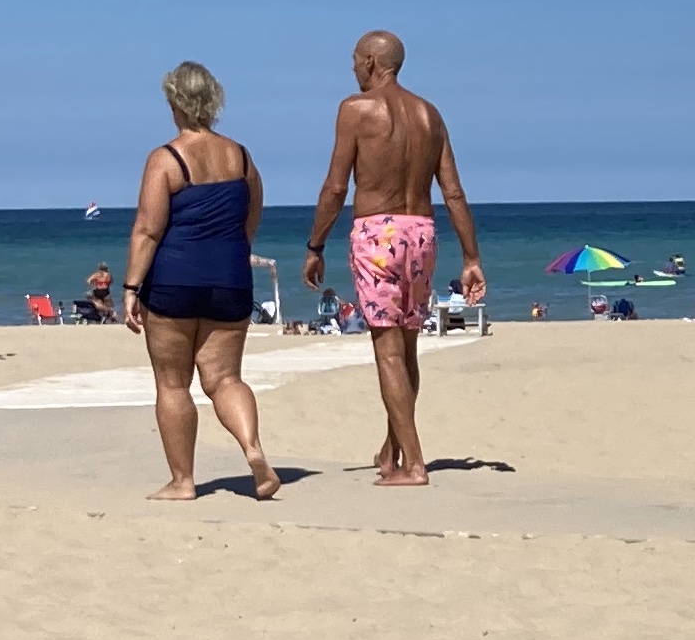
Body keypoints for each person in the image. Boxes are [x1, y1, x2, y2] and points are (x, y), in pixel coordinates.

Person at [305, 28, 488, 486]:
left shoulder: (355, 109)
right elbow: (454, 192)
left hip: (377, 232)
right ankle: (392, 450)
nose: (351, 68)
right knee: (406, 348)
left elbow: (334, 187)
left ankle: (416, 463)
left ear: (370, 61)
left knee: (387, 352)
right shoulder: (430, 115)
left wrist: (315, 245)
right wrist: (471, 257)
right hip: (422, 233)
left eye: (353, 60)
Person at [123, 60, 278, 502]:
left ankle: (183, 481)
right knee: (226, 378)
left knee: (173, 383)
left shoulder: (166, 158)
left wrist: (132, 287)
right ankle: (252, 448)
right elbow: (252, 214)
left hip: (174, 281)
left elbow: (148, 229)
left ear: (176, 103)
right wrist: (233, 250)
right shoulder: (241, 156)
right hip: (230, 279)